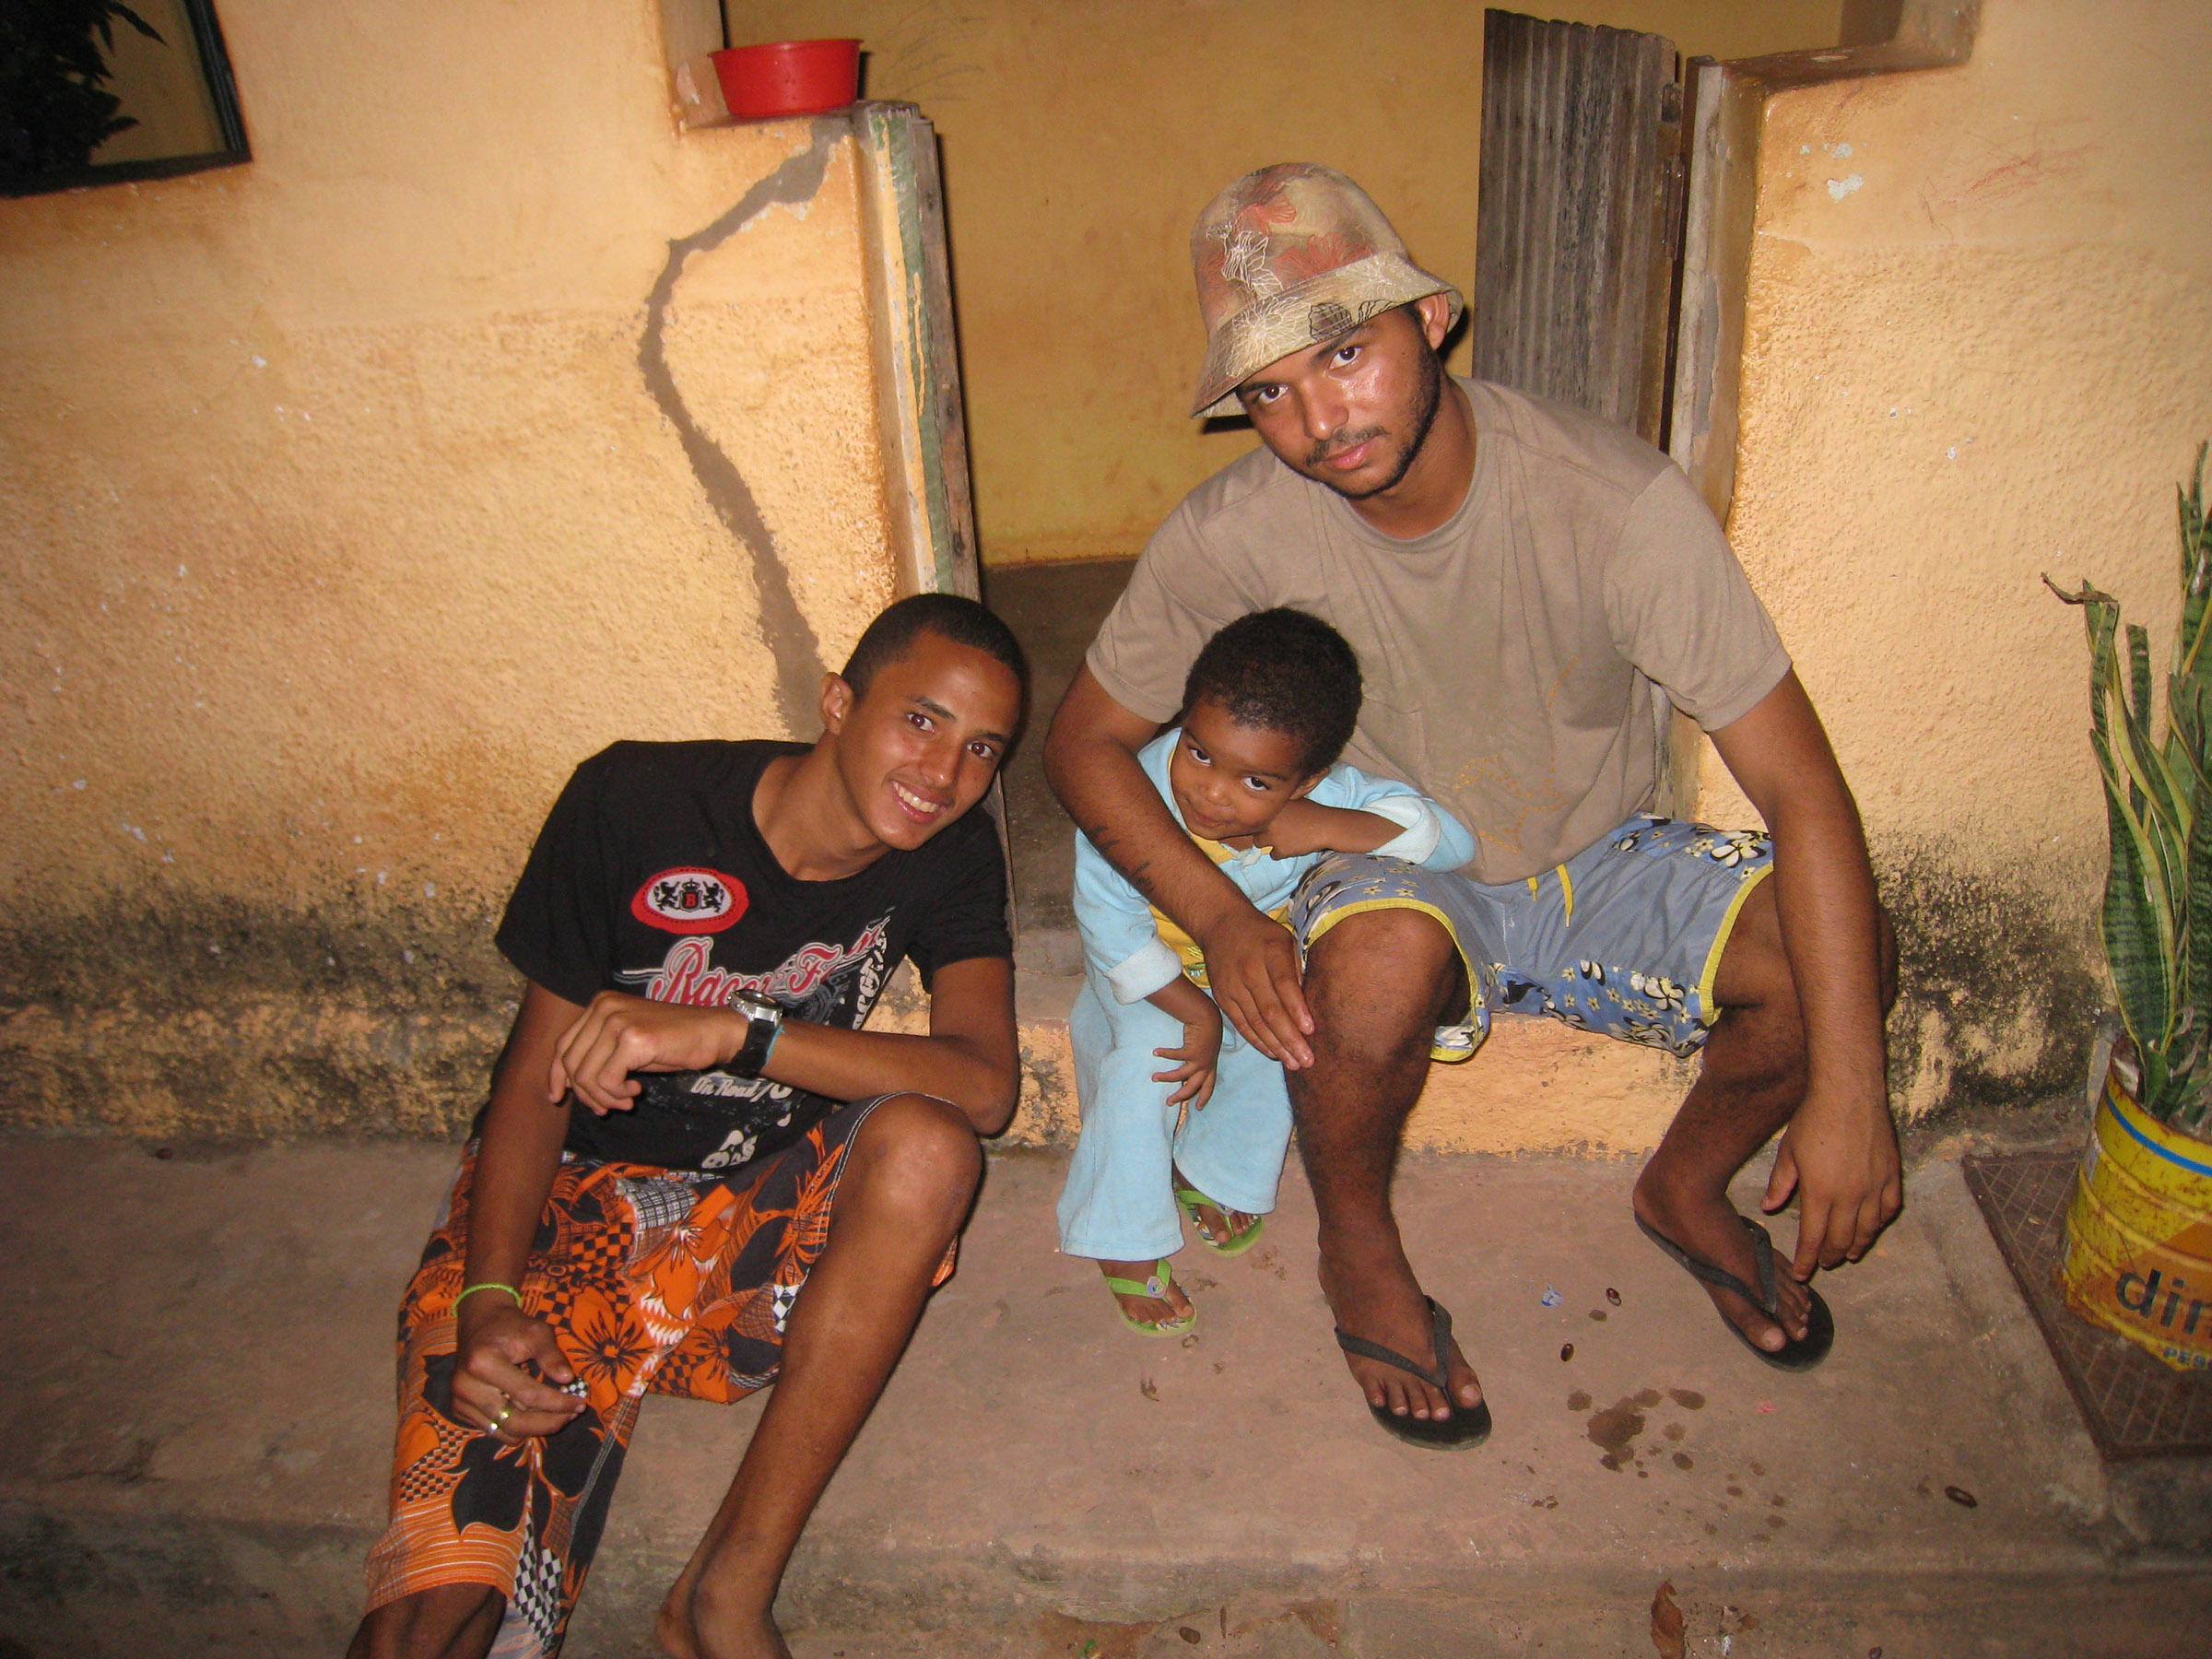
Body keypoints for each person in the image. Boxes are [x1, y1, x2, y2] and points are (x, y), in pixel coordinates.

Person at [1045, 163, 1900, 1450]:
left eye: (1344, 353)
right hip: (1403, 868)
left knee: (1836, 959)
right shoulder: (1234, 534)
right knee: (1376, 964)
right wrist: (1219, 918)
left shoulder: (1614, 505)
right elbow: (1084, 745)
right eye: (1269, 391)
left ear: (1431, 320)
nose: (1317, 418)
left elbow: (1804, 791)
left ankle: (1682, 1184)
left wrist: (1854, 1084)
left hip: (1603, 855)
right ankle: (1358, 1248)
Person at [351, 594, 1026, 1659]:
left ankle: (723, 1596)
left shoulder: (947, 855)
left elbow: (983, 1086)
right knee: (430, 1618)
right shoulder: (632, 801)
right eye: (922, 720)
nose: (944, 776)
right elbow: (535, 1080)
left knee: (931, 1149)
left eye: (982, 747)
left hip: (760, 1218)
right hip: (573, 1215)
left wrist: (736, 1034)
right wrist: (487, 1296)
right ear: (840, 703)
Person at [1059, 607, 1474, 1343]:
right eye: (1199, 752)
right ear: (1181, 724)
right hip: (1149, 978)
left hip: (1245, 970)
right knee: (1150, 1067)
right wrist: (1195, 1012)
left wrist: (1328, 825)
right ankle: (1120, 1232)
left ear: (1309, 778)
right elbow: (1109, 928)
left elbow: (1452, 841)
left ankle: (1213, 1173)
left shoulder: (1325, 798)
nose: (1212, 793)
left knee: (1296, 1033)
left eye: (1256, 780)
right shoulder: (1134, 791)